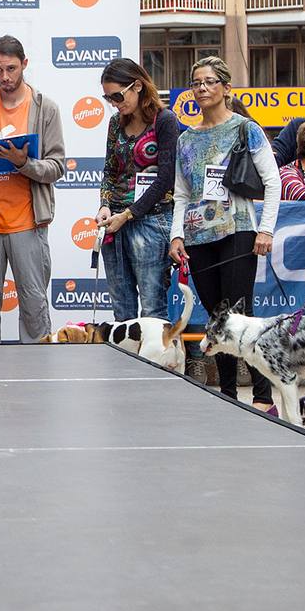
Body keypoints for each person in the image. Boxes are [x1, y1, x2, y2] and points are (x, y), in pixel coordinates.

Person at [168, 56, 281, 406]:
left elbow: (273, 182)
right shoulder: (185, 139)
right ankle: (229, 396)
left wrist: (265, 230)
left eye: (209, 81)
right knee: (217, 319)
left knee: (241, 316)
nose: (202, 88)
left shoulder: (245, 128)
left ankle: (263, 397)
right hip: (198, 237)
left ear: (226, 88)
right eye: (196, 82)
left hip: (239, 231)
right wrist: (176, 235)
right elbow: (183, 193)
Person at [0, 36, 66, 345]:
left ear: (24, 65)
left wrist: (24, 163)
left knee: (34, 308)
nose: (5, 77)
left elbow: (57, 167)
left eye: (11, 68)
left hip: (28, 223)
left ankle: (37, 382)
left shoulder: (45, 108)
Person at [94, 58, 178, 332]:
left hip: (152, 221)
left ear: (138, 86)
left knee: (153, 307)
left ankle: (156, 371)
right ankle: (127, 371)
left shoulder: (164, 120)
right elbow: (109, 171)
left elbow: (166, 179)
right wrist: (105, 206)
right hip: (115, 222)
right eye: (109, 97)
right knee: (122, 311)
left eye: (118, 95)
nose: (115, 103)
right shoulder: (115, 123)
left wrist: (129, 215)